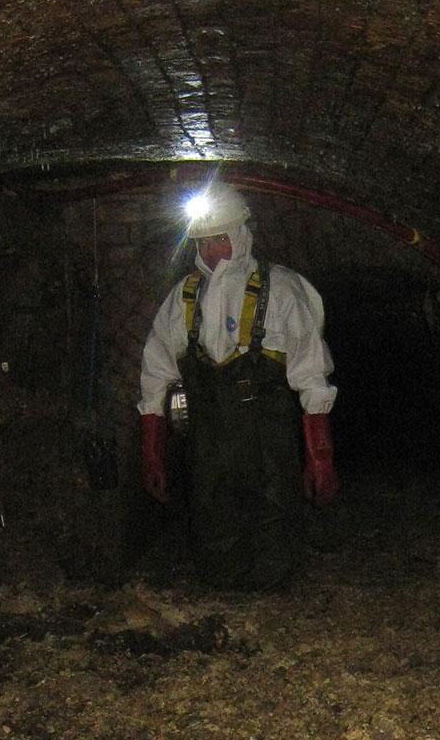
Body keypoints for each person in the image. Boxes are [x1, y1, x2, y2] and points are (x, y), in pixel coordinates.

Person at [138, 180, 338, 588]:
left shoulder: (280, 289)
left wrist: (320, 456)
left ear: (241, 235)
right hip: (209, 441)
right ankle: (228, 617)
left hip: (267, 437)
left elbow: (311, 374)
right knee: (214, 536)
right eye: (205, 242)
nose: (213, 252)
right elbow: (155, 374)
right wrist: (152, 452)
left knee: (275, 534)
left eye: (220, 240)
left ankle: (277, 621)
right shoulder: (184, 298)